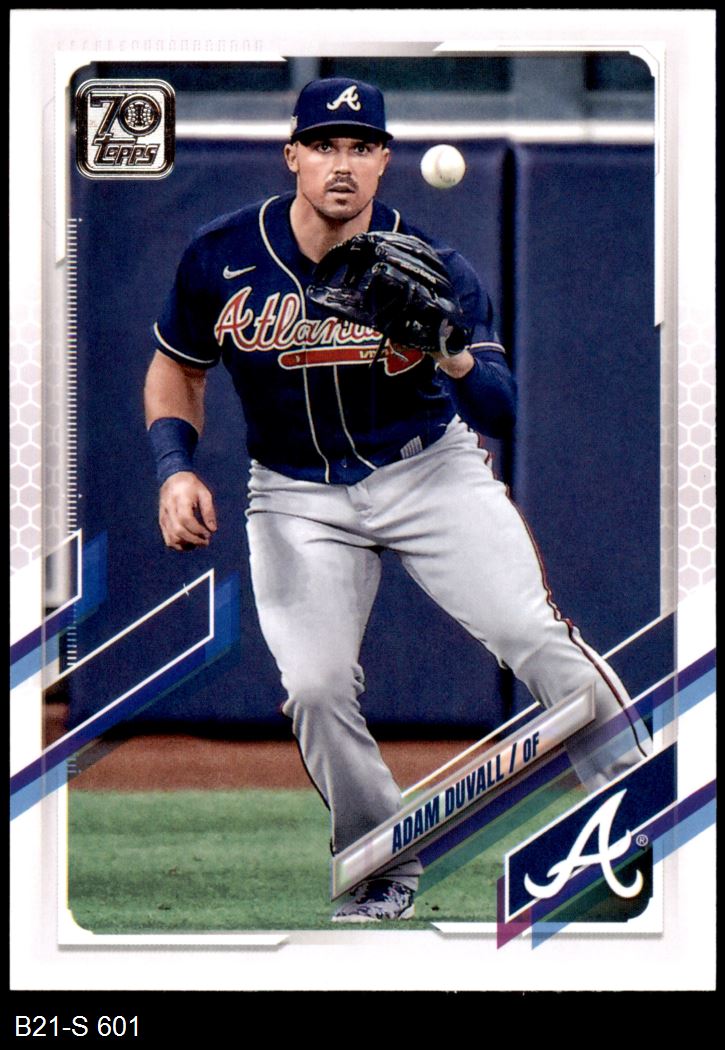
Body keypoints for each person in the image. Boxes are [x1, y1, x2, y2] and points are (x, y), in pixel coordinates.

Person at [144, 77, 652, 923]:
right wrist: (174, 467)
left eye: (360, 147)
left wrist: (449, 350)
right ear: (292, 155)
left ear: (384, 160)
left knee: (530, 633)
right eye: (324, 145)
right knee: (313, 687)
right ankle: (381, 865)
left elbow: (501, 410)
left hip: (428, 473)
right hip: (295, 492)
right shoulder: (220, 255)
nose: (341, 164)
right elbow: (177, 367)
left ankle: (642, 816)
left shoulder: (434, 264)